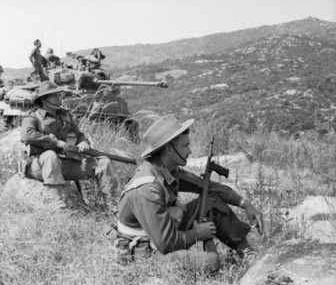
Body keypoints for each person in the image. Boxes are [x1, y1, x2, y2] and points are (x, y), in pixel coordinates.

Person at [113, 115, 264, 272]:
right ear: (170, 149)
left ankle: (247, 254)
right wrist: (197, 234)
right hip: (143, 252)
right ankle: (213, 260)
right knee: (210, 262)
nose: (190, 150)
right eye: (185, 146)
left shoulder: (168, 170)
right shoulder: (147, 189)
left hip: (162, 232)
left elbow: (208, 186)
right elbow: (166, 243)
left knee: (210, 200)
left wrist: (245, 204)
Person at [20, 81, 118, 211]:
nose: (59, 98)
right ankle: (59, 205)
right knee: (50, 155)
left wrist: (83, 142)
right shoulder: (32, 116)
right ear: (43, 99)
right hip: (39, 166)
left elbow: (79, 134)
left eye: (59, 95)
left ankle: (112, 204)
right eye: (54, 95)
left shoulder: (65, 115)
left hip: (66, 163)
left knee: (103, 162)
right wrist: (55, 143)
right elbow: (27, 135)